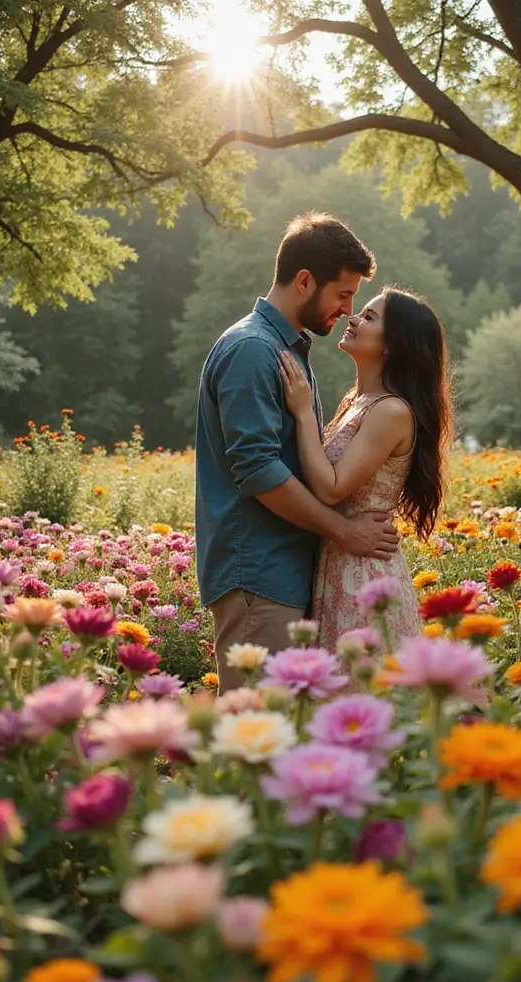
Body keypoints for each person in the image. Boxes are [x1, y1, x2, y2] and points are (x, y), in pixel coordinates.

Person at [195, 212, 400, 692]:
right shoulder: (252, 351)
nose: (349, 310)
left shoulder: (283, 351)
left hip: (282, 574)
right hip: (258, 576)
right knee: (260, 741)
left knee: (284, 737)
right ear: (305, 281)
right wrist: (344, 531)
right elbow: (258, 469)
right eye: (343, 295)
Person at [280, 286, 452, 653]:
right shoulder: (357, 403)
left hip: (365, 576)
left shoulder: (391, 411)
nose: (353, 317)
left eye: (369, 317)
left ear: (391, 345)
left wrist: (303, 412)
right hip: (339, 561)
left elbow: (331, 488)